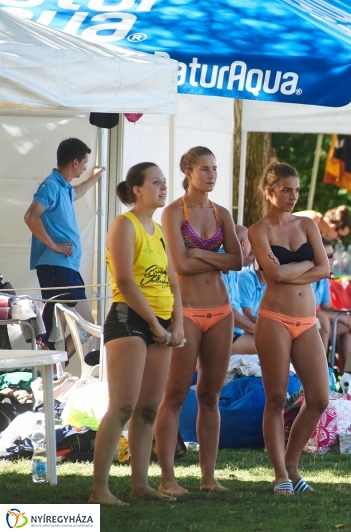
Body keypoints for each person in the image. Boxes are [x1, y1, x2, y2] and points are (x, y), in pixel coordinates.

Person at [89, 163, 183, 505]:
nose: (163, 187)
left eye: (164, 182)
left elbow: (174, 280)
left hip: (161, 322)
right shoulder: (124, 224)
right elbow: (126, 282)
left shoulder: (158, 230)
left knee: (148, 408)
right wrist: (157, 325)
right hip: (129, 319)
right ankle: (99, 489)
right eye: (155, 182)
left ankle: (140, 484)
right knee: (123, 405)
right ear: (138, 190)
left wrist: (178, 323)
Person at [155, 147, 242, 497]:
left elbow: (237, 261)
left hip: (221, 310)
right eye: (204, 169)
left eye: (215, 169)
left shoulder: (222, 214)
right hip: (187, 310)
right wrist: (215, 258)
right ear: (187, 172)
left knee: (211, 394)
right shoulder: (173, 212)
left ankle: (209, 476)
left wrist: (201, 254)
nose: (212, 175)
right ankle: (167, 477)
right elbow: (180, 265)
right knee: (174, 395)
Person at [249, 161, 330, 495]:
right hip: (274, 319)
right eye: (286, 190)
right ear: (269, 192)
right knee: (277, 398)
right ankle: (280, 472)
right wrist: (309, 264)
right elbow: (276, 276)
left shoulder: (307, 223)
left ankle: (293, 464)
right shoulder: (259, 230)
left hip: (307, 320)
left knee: (320, 398)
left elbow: (325, 269)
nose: (293, 196)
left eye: (296, 190)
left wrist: (295, 268)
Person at [23, 138, 104, 356]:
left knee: (73, 326)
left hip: (65, 268)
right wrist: (53, 245)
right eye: (85, 162)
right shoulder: (51, 185)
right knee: (78, 325)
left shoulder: (63, 187)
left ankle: (56, 367)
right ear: (75, 162)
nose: (86, 167)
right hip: (56, 267)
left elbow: (78, 191)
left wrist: (95, 177)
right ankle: (52, 368)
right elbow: (31, 216)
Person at [314, 238, 351, 369]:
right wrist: (342, 317)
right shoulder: (306, 277)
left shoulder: (323, 279)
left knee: (349, 326)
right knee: (323, 321)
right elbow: (305, 311)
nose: (333, 260)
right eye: (329, 256)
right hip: (299, 324)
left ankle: (348, 378)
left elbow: (327, 307)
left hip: (313, 324)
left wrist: (347, 316)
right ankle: (321, 371)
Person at [225, 225, 258, 356]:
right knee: (273, 344)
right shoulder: (225, 265)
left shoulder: (233, 266)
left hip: (236, 332)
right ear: (243, 244)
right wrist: (255, 329)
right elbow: (227, 310)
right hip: (226, 335)